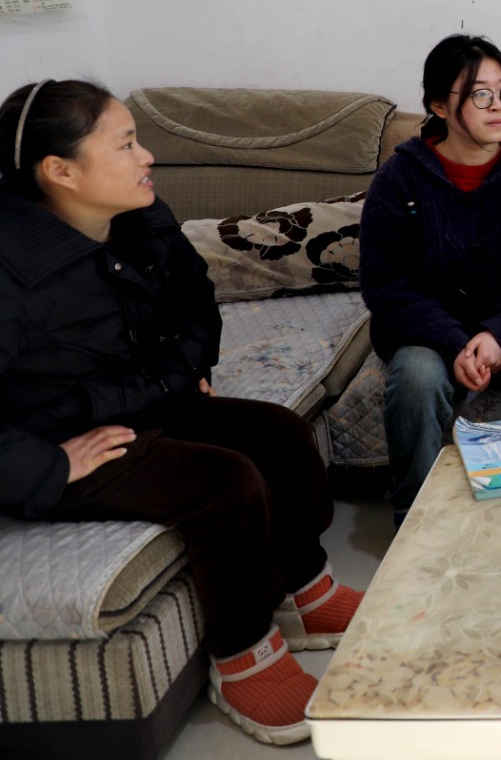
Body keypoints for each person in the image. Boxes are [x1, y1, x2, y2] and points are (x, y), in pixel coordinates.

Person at [0, 79, 363, 747]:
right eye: (126, 144)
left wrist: (183, 373)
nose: (148, 157)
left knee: (279, 435)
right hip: (63, 439)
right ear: (60, 170)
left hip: (148, 399)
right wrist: (46, 464)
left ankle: (306, 593)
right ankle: (243, 654)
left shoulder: (141, 216)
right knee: (222, 483)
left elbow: (195, 302)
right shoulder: (8, 268)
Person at [360, 35, 501, 520]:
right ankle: (415, 520)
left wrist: (497, 334)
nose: (498, 106)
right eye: (480, 94)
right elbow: (386, 285)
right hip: (427, 329)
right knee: (417, 378)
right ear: (439, 105)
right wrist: (455, 340)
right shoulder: (399, 180)